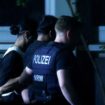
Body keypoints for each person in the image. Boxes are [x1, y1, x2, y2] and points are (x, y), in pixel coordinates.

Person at [0, 16, 81, 105]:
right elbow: (63, 84)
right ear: (69, 34)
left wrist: (2, 89)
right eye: (77, 35)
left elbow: (21, 80)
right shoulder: (63, 53)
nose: (78, 40)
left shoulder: (38, 51)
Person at [0, 17, 38, 104]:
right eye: (35, 37)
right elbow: (2, 86)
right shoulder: (13, 55)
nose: (35, 41)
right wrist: (26, 76)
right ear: (27, 34)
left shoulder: (19, 52)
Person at [21, 15, 57, 104]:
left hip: (30, 95)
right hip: (41, 97)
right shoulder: (47, 50)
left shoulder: (30, 48)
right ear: (51, 33)